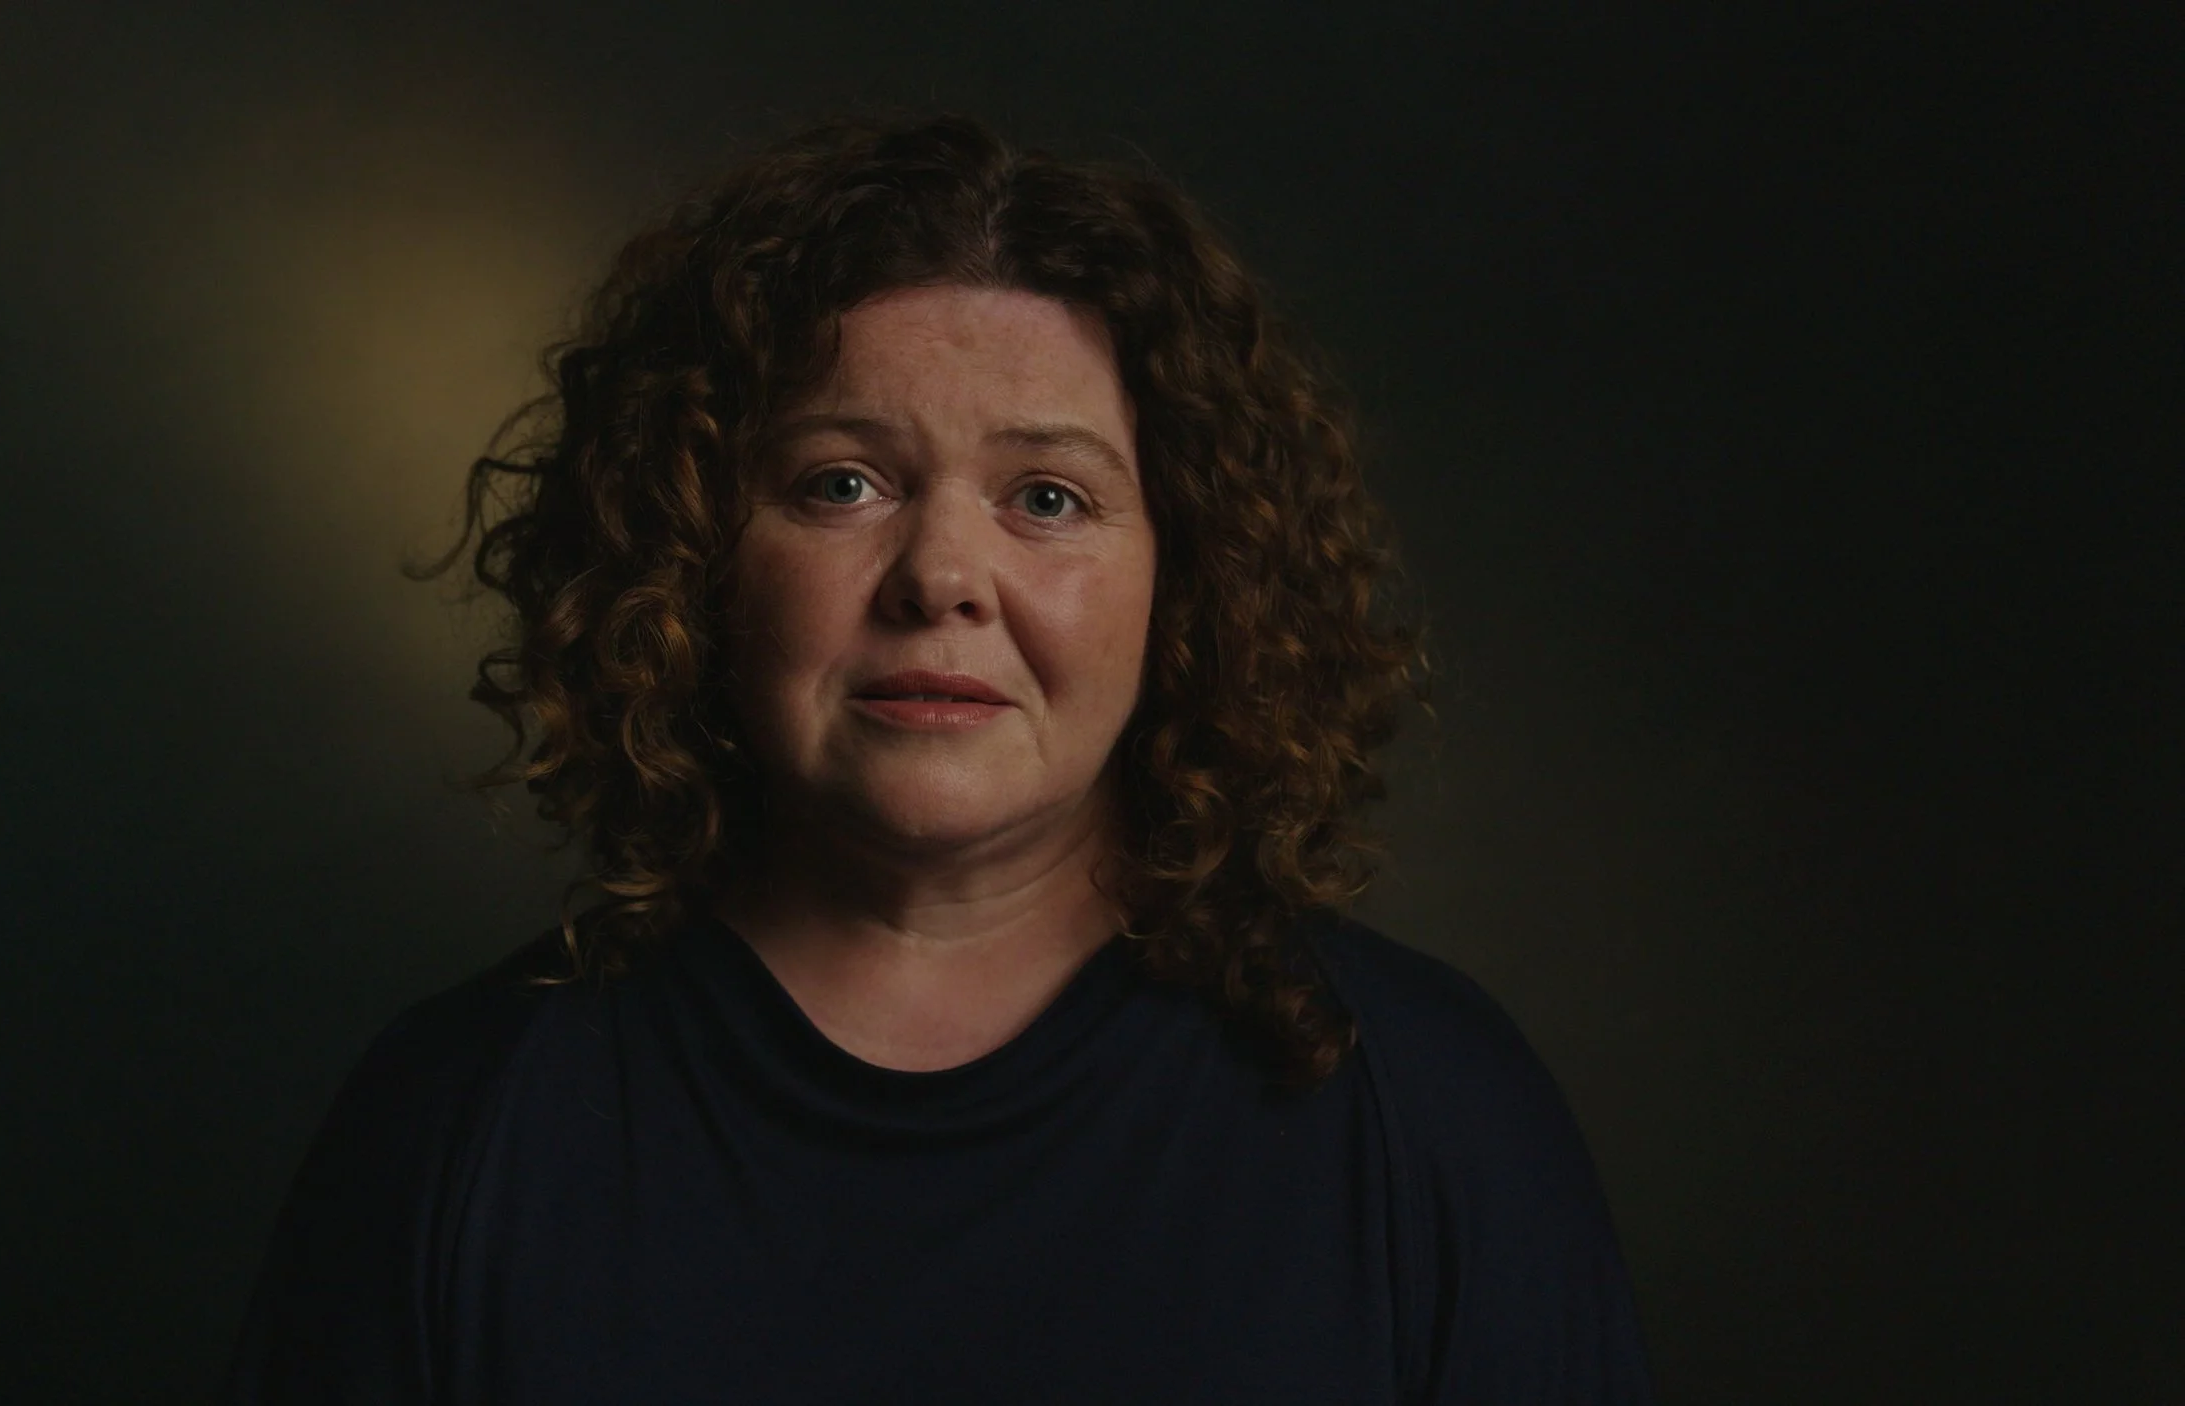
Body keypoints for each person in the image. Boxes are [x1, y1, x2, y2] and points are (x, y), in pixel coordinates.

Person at [225, 112, 1653, 1404]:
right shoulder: (463, 1121)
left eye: (1049, 495)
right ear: (695, 558)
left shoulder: (1429, 1115)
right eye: (841, 482)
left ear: (1192, 581)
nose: (941, 576)